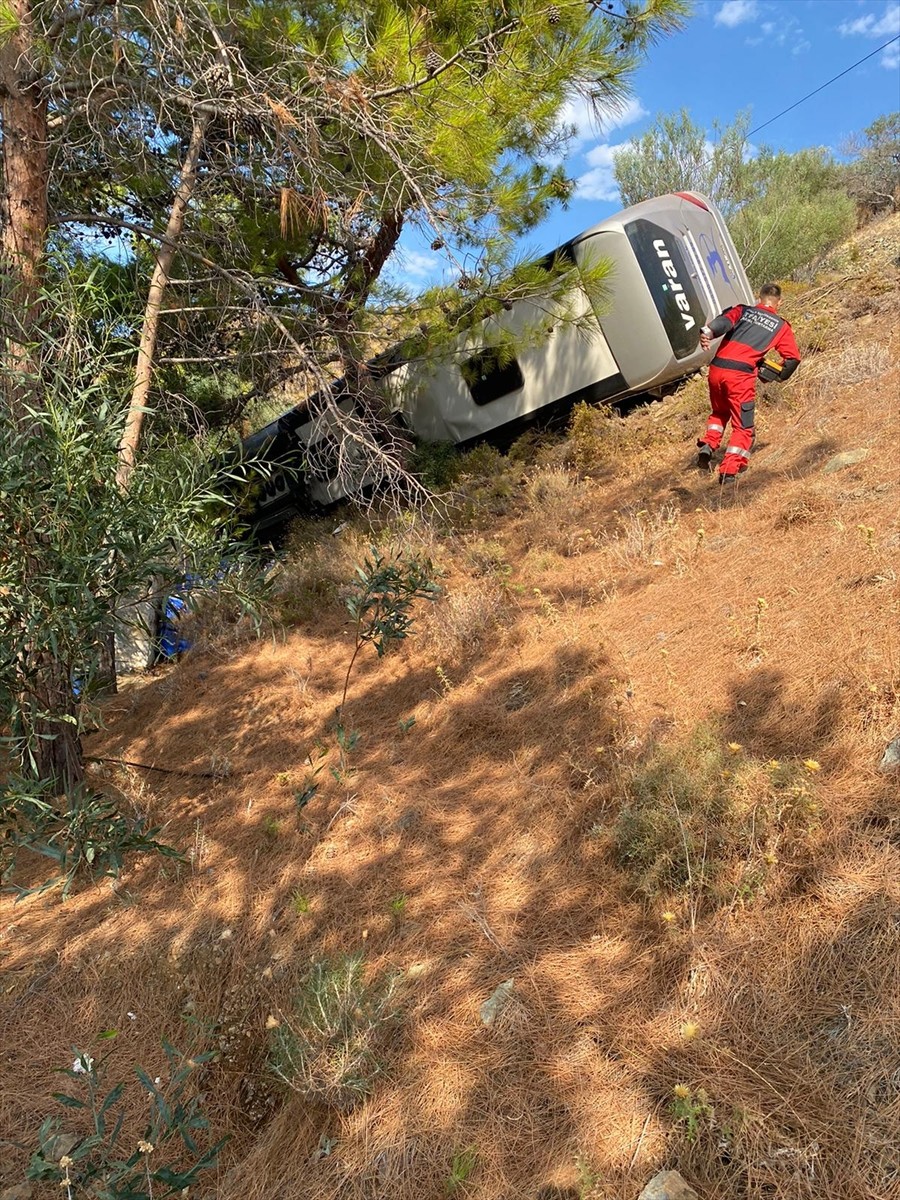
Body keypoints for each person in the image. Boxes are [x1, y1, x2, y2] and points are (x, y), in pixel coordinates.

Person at [696, 283, 801, 483]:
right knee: (743, 426)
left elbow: (721, 323)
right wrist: (776, 374)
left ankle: (708, 445)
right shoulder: (780, 326)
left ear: (758, 297)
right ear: (779, 302)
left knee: (719, 412)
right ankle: (729, 471)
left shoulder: (743, 310)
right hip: (740, 376)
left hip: (716, 369)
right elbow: (793, 358)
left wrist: (707, 333)